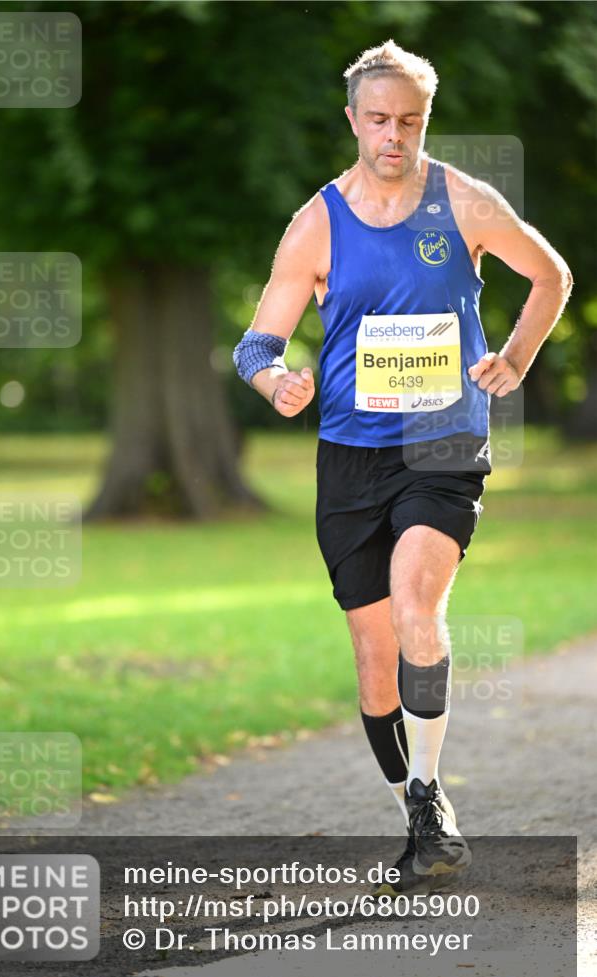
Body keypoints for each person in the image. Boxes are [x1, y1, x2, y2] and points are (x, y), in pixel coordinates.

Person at [232, 39, 573, 894]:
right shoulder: (316, 221)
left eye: (410, 122)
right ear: (352, 119)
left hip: (442, 442)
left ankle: (427, 800)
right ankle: (417, 811)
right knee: (372, 650)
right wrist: (277, 382)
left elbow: (550, 275)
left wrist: (517, 358)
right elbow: (256, 342)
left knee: (419, 601)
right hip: (349, 452)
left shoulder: (462, 201)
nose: (394, 136)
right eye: (378, 120)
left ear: (426, 122)